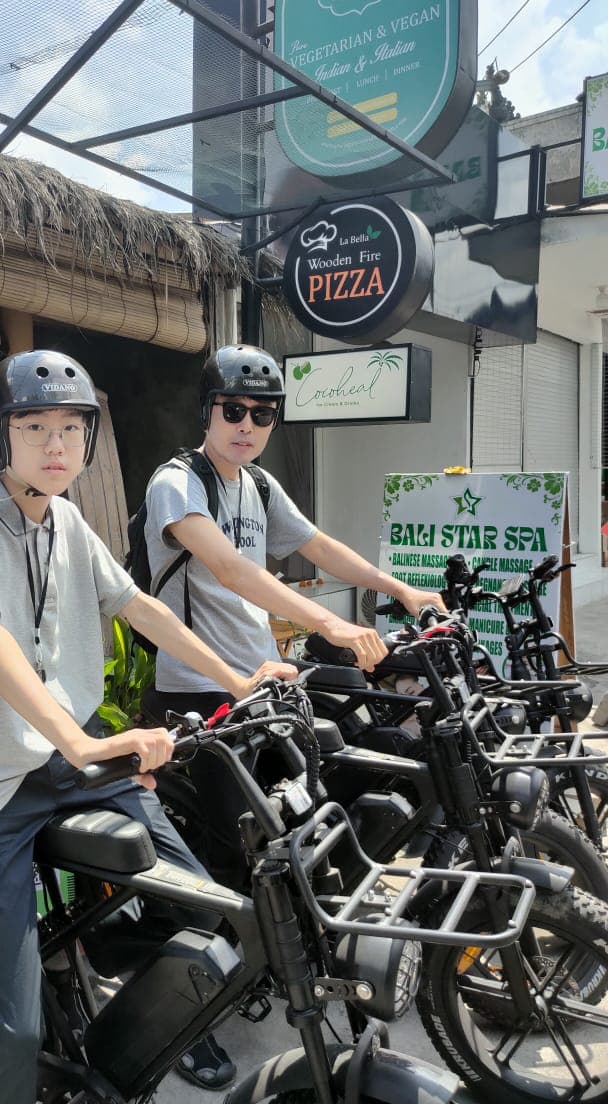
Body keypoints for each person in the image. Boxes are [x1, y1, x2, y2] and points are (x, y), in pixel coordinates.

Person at [0, 349, 292, 1104]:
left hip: (69, 763)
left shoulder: (69, 521)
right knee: (14, 1031)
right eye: (35, 427)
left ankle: (119, 1002)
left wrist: (238, 679)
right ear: (1, 435)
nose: (56, 446)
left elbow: (140, 607)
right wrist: (85, 741)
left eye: (71, 428)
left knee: (201, 899)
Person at [142, 342, 446, 889]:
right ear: (206, 410)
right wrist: (329, 623)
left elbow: (318, 545)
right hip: (199, 691)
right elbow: (231, 569)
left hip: (263, 687)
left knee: (308, 825)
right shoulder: (178, 482)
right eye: (232, 410)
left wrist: (398, 587)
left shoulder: (257, 484)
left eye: (262, 414)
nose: (246, 425)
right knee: (240, 853)